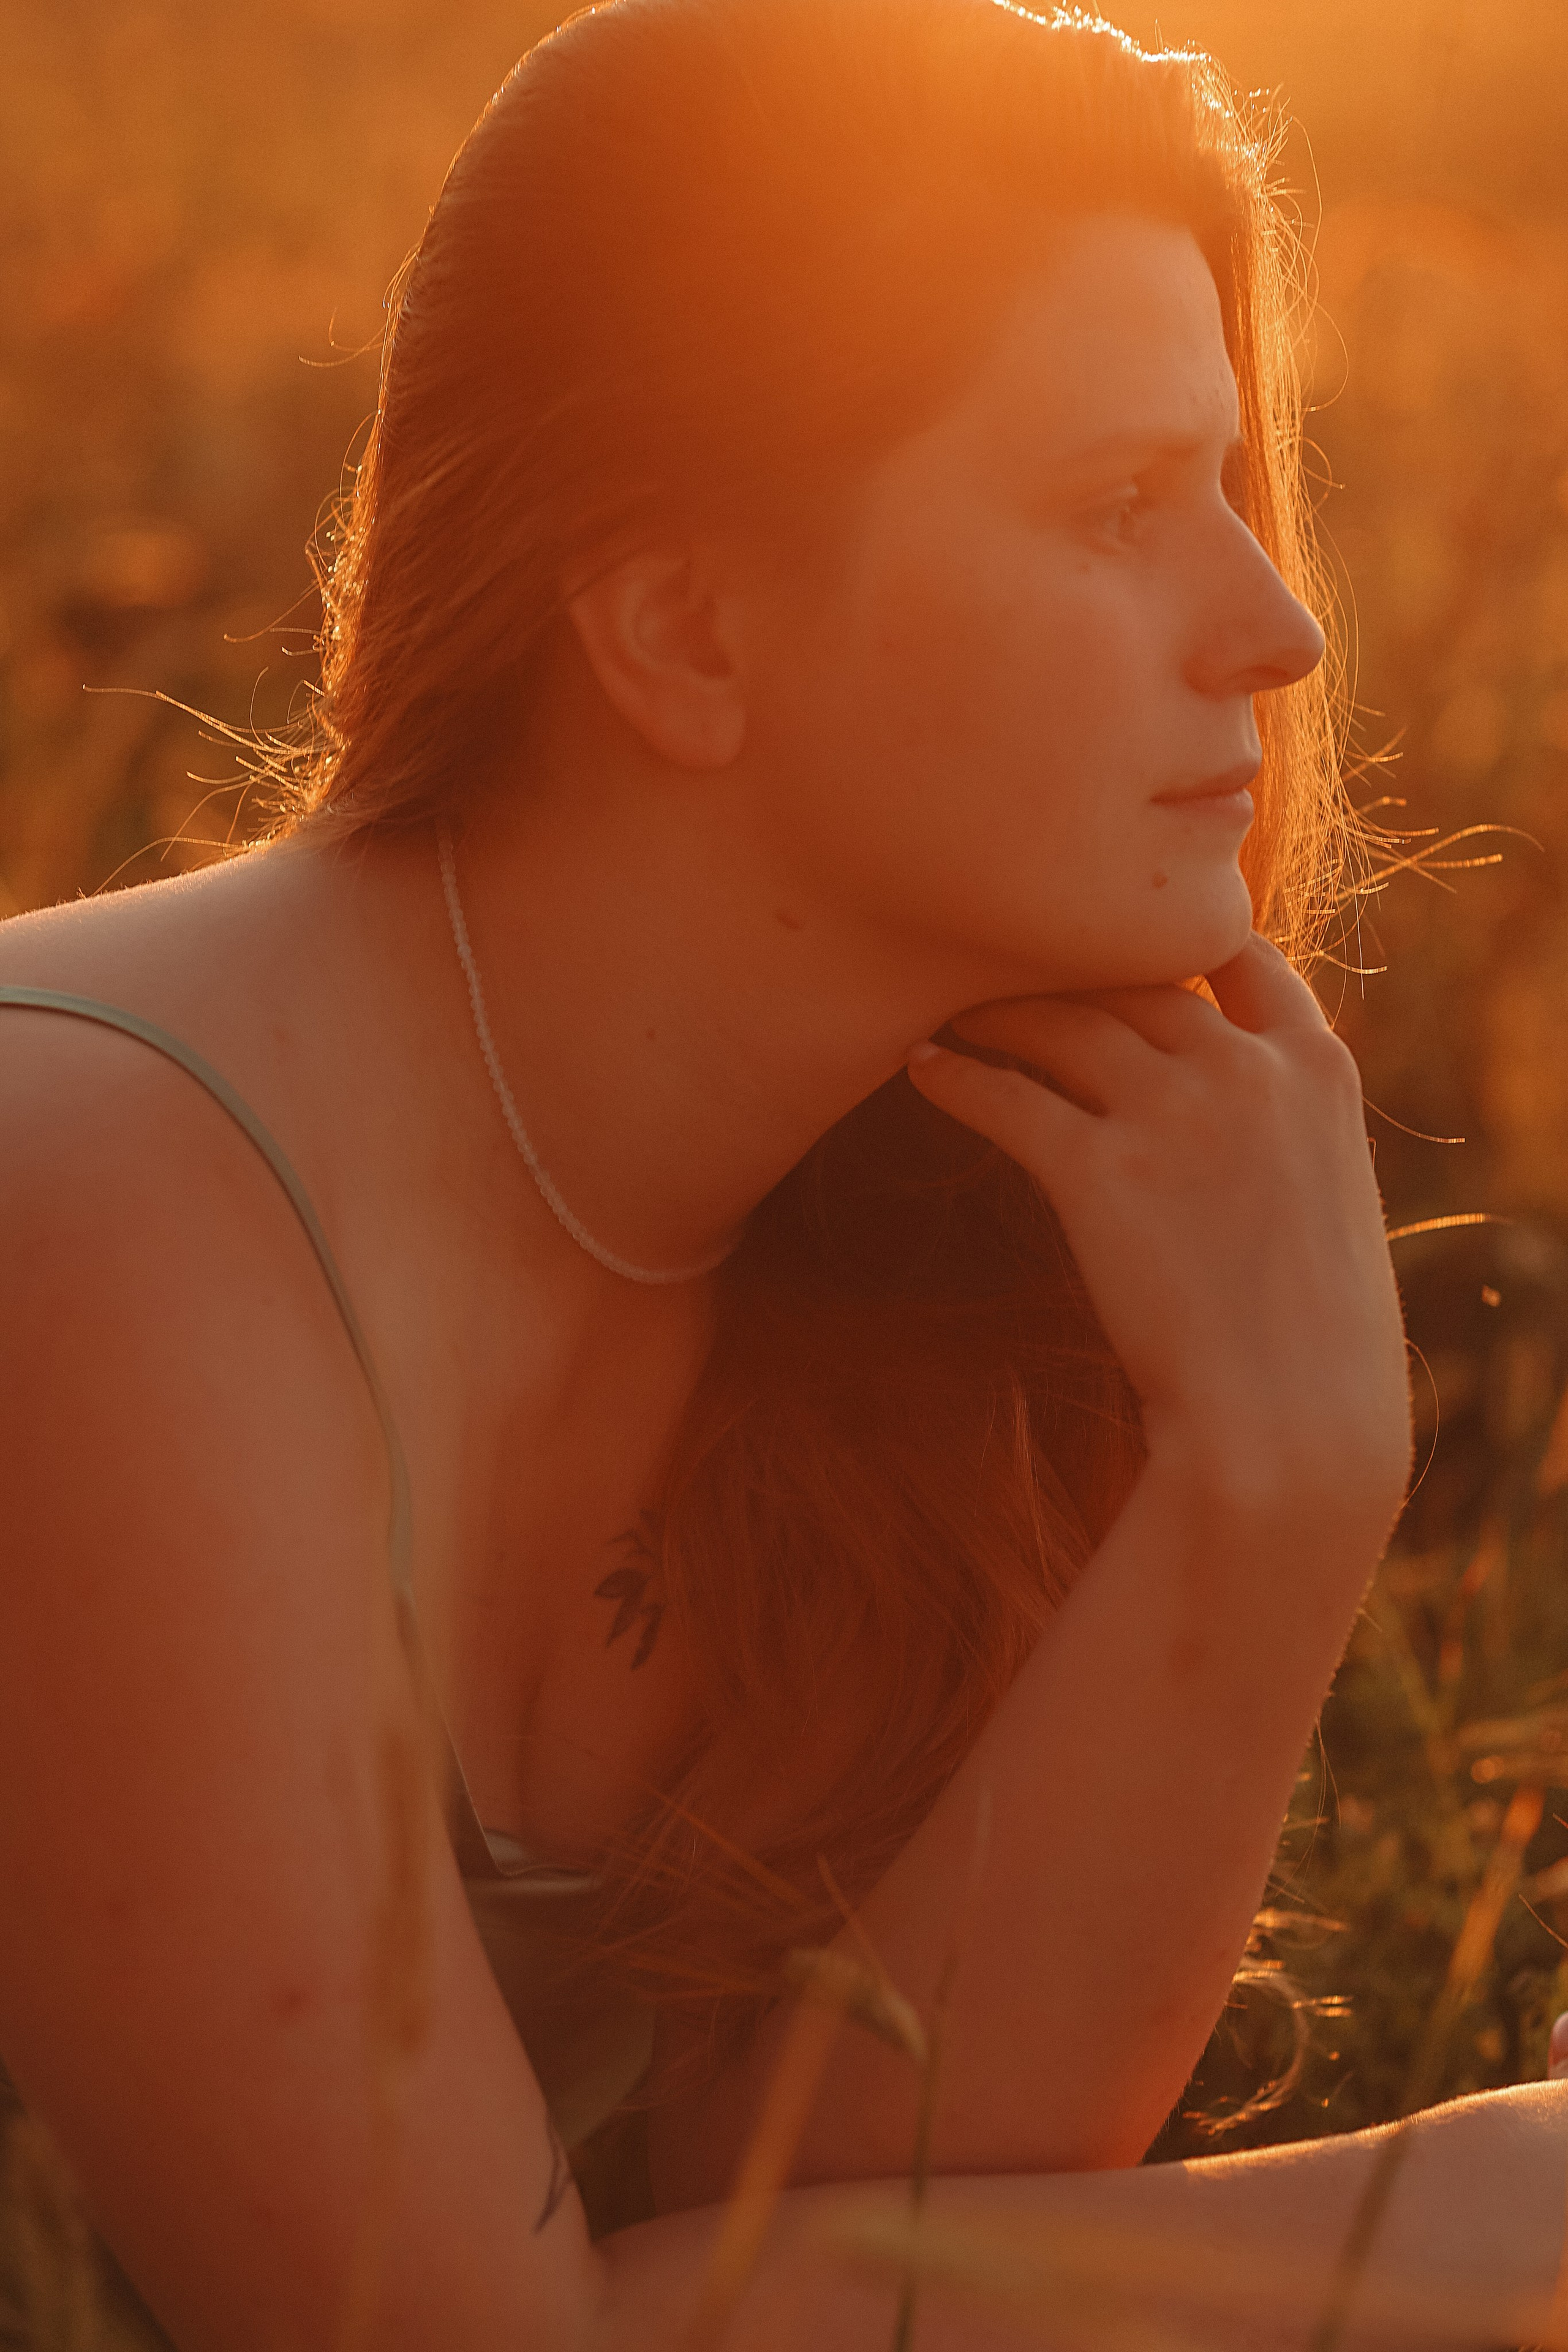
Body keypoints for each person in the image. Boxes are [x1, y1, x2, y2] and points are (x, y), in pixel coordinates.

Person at [1, 1, 1564, 2345]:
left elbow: (820, 2232)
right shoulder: (97, 1205)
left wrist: (1283, 1471)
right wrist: (1459, 2237)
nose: (1277, 626)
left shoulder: (908, 1218)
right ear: (683, 629)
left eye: (1235, 489)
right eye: (1118, 509)